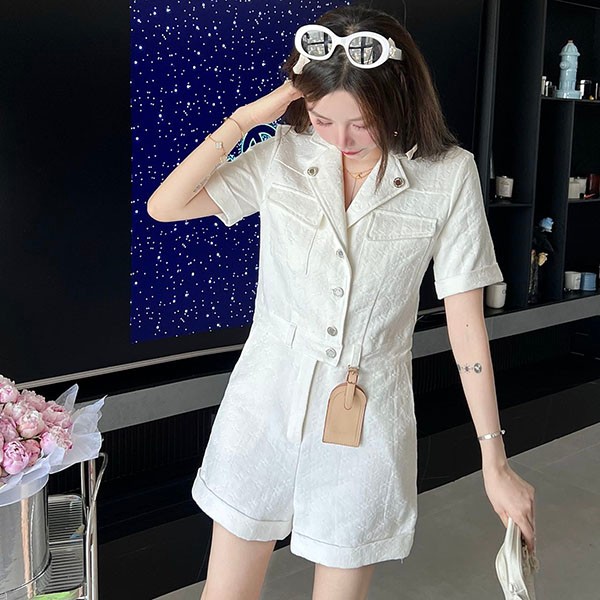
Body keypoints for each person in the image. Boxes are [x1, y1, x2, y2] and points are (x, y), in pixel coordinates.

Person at [147, 5, 536, 600]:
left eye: (362, 123)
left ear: (398, 99)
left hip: (367, 417)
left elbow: (466, 324)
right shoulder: (283, 154)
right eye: (322, 118)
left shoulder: (448, 175)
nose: (341, 140)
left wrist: (494, 459)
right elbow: (166, 205)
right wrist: (247, 118)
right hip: (263, 403)